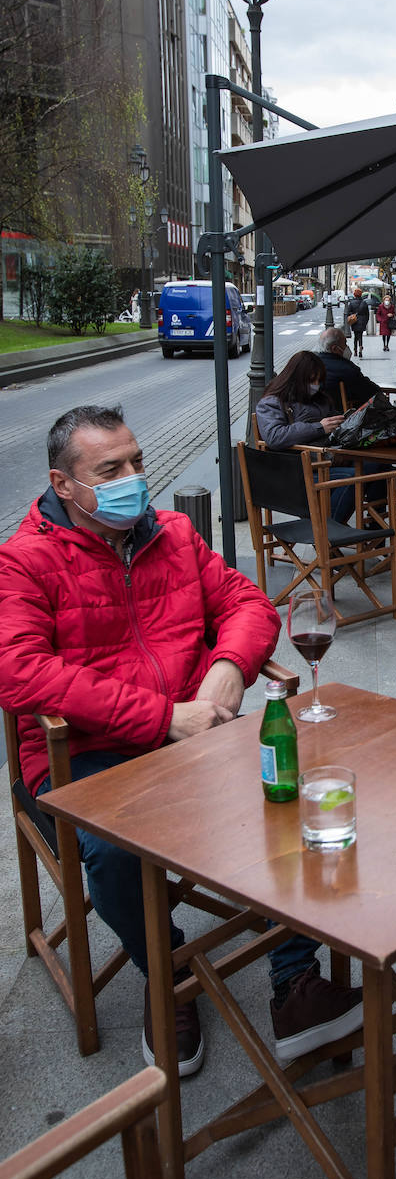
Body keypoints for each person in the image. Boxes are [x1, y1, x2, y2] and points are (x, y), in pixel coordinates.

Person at [0, 405, 364, 1078]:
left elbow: (249, 604)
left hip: (199, 734)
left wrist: (227, 673)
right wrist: (164, 717)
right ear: (65, 484)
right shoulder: (24, 561)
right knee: (112, 852)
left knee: (289, 790)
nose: (135, 478)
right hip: (84, 753)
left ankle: (295, 984)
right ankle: (164, 972)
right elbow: (21, 672)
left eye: (136, 460)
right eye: (111, 470)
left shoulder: (171, 534)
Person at [255, 352, 356, 523]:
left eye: (319, 380)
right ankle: (324, 532)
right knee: (354, 478)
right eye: (312, 380)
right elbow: (274, 436)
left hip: (325, 461)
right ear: (296, 378)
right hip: (295, 470)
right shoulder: (272, 402)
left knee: (375, 466)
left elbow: (333, 422)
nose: (316, 385)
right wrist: (319, 427)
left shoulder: (319, 399)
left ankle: (373, 527)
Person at [316, 327, 383, 410]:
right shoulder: (346, 369)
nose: (347, 347)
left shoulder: (312, 364)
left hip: (316, 413)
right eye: (344, 343)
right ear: (335, 349)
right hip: (340, 415)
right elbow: (371, 391)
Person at [344, 287, 370, 358]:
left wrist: (352, 316)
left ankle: (355, 351)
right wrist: (365, 322)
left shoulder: (352, 303)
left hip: (354, 321)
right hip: (362, 321)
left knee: (355, 336)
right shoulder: (364, 303)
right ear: (361, 294)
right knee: (360, 335)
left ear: (354, 295)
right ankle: (360, 347)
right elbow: (367, 314)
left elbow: (348, 312)